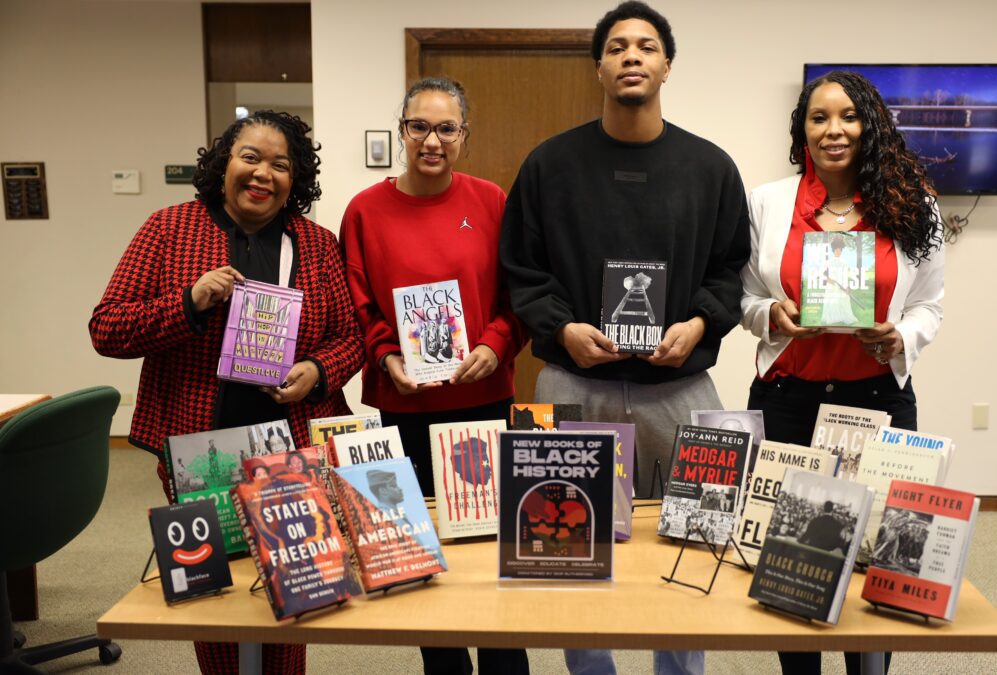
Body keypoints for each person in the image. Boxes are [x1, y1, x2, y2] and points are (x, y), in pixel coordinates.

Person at [499, 3, 749, 674]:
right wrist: (562, 329)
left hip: (681, 386)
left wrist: (698, 323)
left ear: (667, 64)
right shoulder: (549, 165)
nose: (631, 56)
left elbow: (731, 270)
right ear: (599, 66)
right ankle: (590, 668)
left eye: (645, 46)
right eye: (616, 47)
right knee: (564, 538)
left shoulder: (711, 167)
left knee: (694, 541)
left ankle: (680, 667)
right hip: (572, 379)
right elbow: (522, 268)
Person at [90, 109, 362, 675]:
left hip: (289, 452)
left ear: (296, 179)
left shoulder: (313, 243)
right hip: (197, 451)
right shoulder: (168, 229)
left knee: (296, 595)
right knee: (212, 595)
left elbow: (350, 337)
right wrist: (188, 302)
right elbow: (108, 327)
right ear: (223, 165)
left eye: (281, 165)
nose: (264, 173)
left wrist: (316, 369)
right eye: (251, 157)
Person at [740, 70, 945, 675]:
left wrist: (899, 335)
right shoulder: (769, 202)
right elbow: (744, 295)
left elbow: (930, 306)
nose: (834, 130)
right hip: (788, 398)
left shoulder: (914, 204)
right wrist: (768, 316)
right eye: (819, 117)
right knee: (792, 555)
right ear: (801, 129)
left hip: (879, 399)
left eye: (849, 117)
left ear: (871, 126)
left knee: (878, 551)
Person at [339, 77, 528, 675]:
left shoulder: (492, 201)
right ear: (402, 131)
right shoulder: (365, 210)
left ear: (464, 136)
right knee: (419, 558)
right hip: (405, 406)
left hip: (482, 404)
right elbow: (357, 302)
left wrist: (497, 346)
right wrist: (385, 355)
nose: (432, 140)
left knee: (491, 552)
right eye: (419, 126)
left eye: (446, 128)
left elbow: (519, 297)